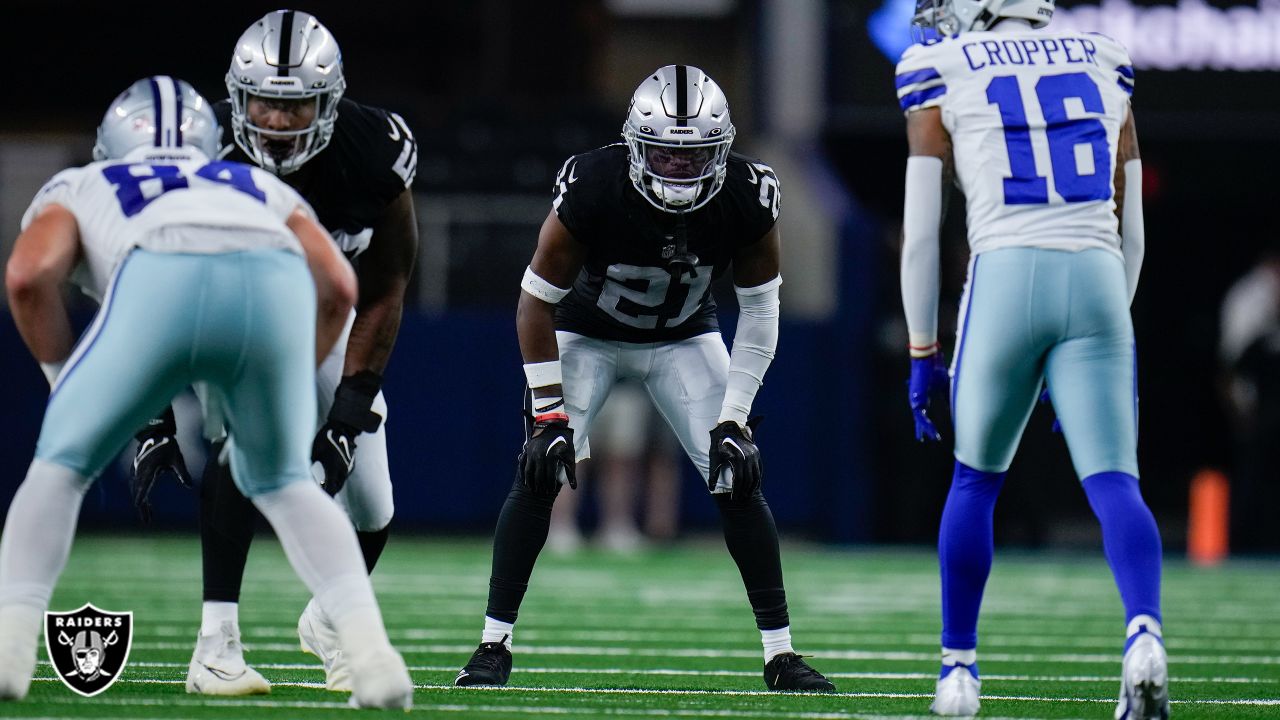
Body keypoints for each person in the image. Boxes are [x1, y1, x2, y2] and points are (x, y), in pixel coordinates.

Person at [0, 77, 412, 709]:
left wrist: (68, 385)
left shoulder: (84, 183)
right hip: (271, 291)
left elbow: (28, 277)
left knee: (59, 471)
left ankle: (9, 646)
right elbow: (338, 285)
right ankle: (374, 658)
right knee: (286, 484)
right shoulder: (257, 183)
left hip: (157, 278)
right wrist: (285, 388)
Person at [453, 65, 834, 693]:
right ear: (635, 144)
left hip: (684, 337)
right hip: (588, 334)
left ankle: (781, 654)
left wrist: (735, 419)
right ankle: (493, 645)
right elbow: (534, 302)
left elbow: (763, 312)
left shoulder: (748, 192)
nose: (680, 170)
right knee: (540, 465)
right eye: (666, 154)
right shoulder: (595, 183)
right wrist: (548, 414)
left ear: (722, 148)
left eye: (695, 156)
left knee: (737, 470)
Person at [126, 11, 419, 694]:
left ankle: (324, 622)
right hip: (231, 310)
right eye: (263, 101)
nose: (278, 120)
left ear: (330, 101)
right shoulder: (201, 159)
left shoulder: (373, 153)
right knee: (244, 443)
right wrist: (151, 415)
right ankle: (215, 647)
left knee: (374, 505)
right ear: (236, 96)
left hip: (330, 313)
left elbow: (386, 287)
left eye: (295, 104)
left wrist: (345, 419)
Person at [895, 1, 1166, 716]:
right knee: (1116, 483)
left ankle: (958, 671)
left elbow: (923, 231)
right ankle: (1144, 633)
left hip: (1007, 272)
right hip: (1100, 277)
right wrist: (1116, 331)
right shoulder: (1103, 58)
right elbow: (1127, 213)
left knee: (975, 483)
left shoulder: (938, 66)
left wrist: (924, 349)